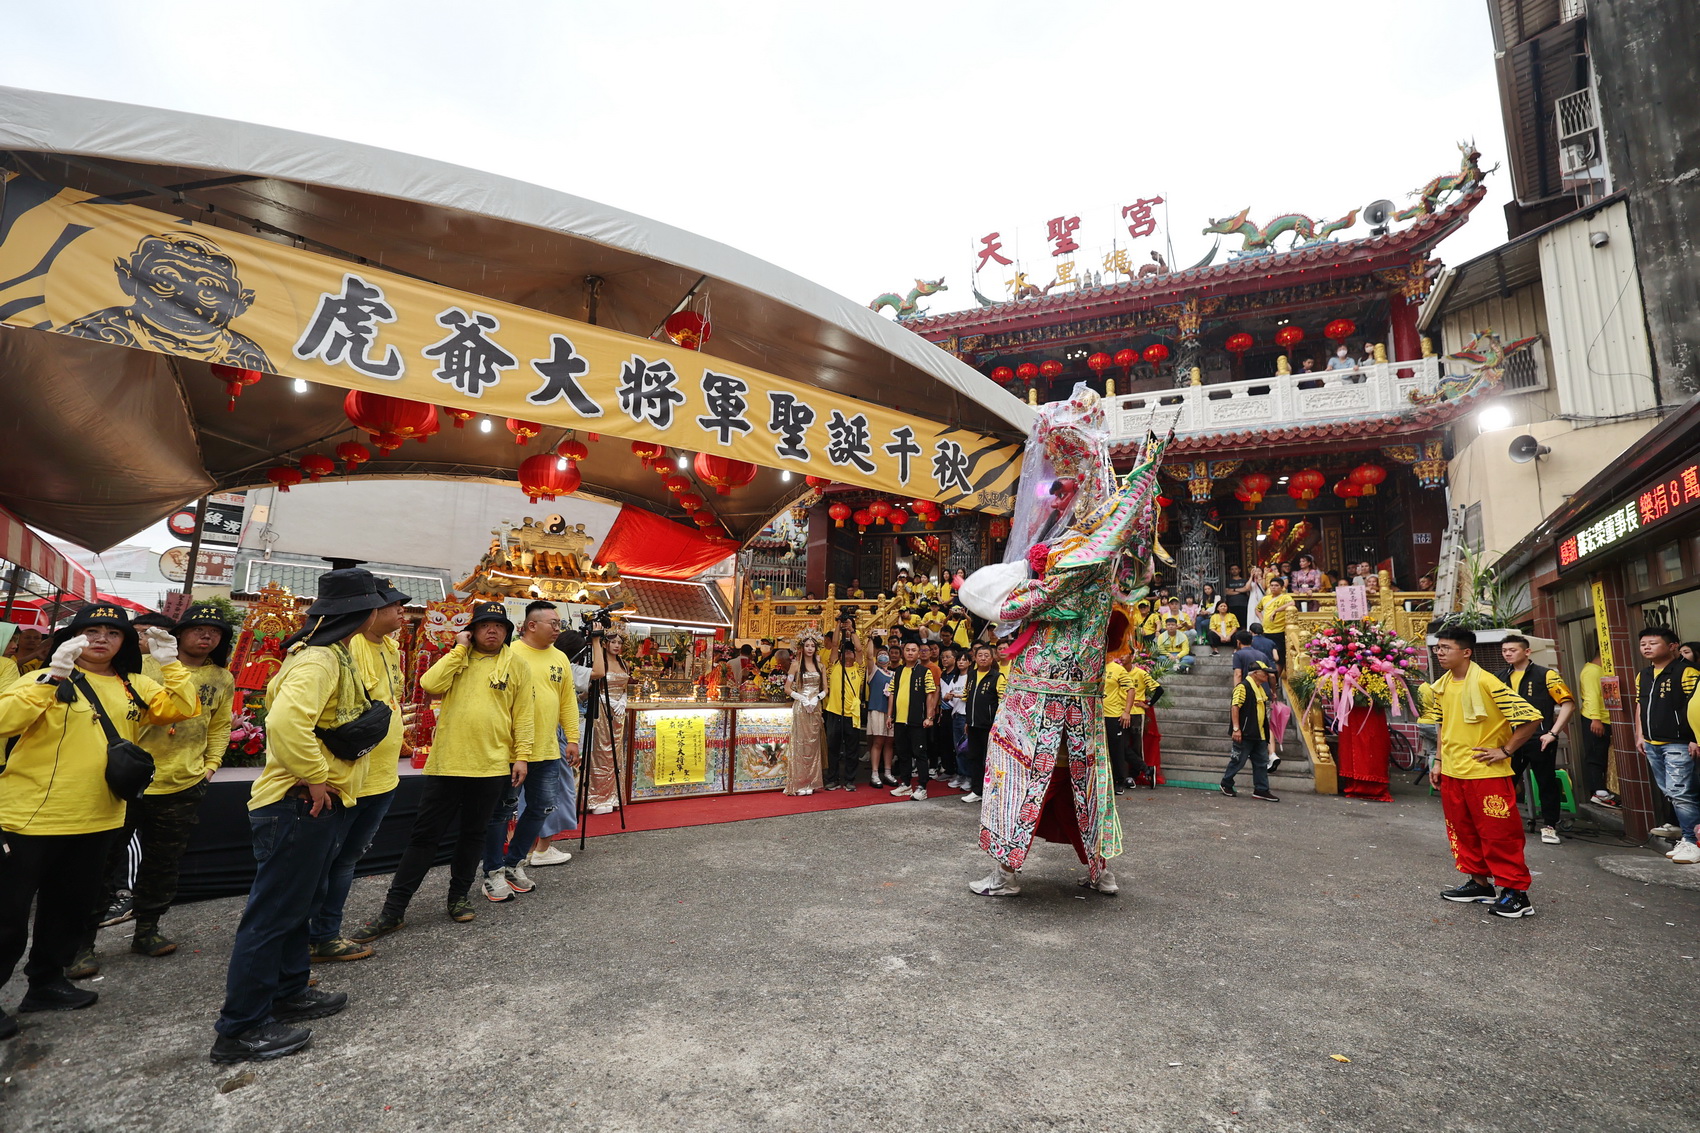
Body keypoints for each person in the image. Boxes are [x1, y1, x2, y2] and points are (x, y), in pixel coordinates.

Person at [211, 570, 390, 1062]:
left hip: (316, 801)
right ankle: (241, 1028)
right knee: (272, 916)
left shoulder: (332, 653)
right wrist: (314, 775)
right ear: (364, 612)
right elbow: (287, 722)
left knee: (298, 906)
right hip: (298, 803)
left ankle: (290, 992)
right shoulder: (317, 660)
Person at [0, 606, 196, 1042]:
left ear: (126, 642)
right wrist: (53, 675)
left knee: (67, 910)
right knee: (8, 918)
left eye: (113, 632)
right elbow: (3, 720)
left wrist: (170, 664)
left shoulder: (133, 685)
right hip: (28, 820)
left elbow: (182, 708)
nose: (102, 639)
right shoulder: (42, 679)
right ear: (74, 636)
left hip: (98, 818)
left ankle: (46, 983)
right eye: (92, 631)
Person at [355, 601, 532, 934]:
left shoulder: (517, 666)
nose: (491, 630)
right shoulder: (456, 661)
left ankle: (459, 897)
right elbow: (429, 684)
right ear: (472, 631)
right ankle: (394, 910)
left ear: (507, 633)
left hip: (491, 766)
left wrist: (521, 755)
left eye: (499, 626)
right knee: (424, 838)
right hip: (447, 764)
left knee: (473, 835)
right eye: (483, 625)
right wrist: (458, 651)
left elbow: (523, 715)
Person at [121, 603, 236, 961]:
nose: (207, 635)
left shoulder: (221, 678)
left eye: (215, 631)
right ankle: (81, 943)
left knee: (163, 861)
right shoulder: (145, 665)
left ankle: (147, 930)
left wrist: (211, 766)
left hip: (183, 781)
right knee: (104, 860)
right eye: (199, 628)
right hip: (129, 779)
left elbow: (219, 726)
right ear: (179, 634)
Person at [308, 580, 410, 963]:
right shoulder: (347, 649)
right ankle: (309, 936)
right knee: (325, 860)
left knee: (347, 858)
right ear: (368, 612)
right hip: (348, 775)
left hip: (383, 774)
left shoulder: (390, 646)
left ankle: (326, 935)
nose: (402, 611)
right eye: (394, 605)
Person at [1421, 627, 1545, 919]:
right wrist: (1438, 761)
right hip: (1453, 771)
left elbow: (1530, 718)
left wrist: (1506, 750)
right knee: (1462, 831)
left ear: (1466, 652)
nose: (1439, 653)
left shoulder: (1488, 682)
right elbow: (1442, 726)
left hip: (1485, 773)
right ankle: (1480, 884)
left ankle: (1516, 893)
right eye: (1437, 648)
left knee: (1499, 834)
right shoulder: (1442, 684)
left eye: (1446, 648)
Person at [480, 601, 579, 901]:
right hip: (510, 751)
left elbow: (567, 701)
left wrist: (572, 737)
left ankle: (514, 864)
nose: (558, 629)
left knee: (541, 808)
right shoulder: (508, 654)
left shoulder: (559, 658)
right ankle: (492, 872)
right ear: (531, 625)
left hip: (548, 749)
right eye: (553, 623)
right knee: (500, 812)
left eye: (559, 624)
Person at [1632, 627, 1700, 863]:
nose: (1646, 647)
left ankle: (1692, 842)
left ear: (1672, 646)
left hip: (1679, 742)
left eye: (1652, 643)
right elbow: (1641, 705)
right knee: (1671, 791)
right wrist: (1640, 735)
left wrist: (1695, 737)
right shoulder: (1643, 674)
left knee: (1682, 793)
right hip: (1652, 742)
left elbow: (1695, 705)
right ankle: (1689, 836)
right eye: (1643, 644)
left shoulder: (1687, 671)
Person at [1501, 635, 1576, 845]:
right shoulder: (1499, 676)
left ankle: (1550, 825)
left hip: (1539, 737)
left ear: (1527, 652)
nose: (1508, 653)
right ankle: (1503, 823)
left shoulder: (1546, 675)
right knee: (1505, 782)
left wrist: (1553, 732)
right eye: (1505, 650)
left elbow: (1568, 703)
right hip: (1510, 739)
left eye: (1512, 650)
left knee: (1546, 782)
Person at [584, 620, 631, 815]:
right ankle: (596, 798)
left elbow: (625, 686)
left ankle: (613, 796)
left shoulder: (624, 663)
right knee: (600, 752)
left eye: (619, 643)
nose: (617, 646)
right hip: (602, 710)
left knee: (616, 753)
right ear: (605, 643)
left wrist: (623, 700)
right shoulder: (599, 661)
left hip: (618, 713)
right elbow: (590, 686)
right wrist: (604, 697)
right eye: (613, 642)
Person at [887, 641, 938, 801]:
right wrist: (890, 715)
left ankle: (922, 786)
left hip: (917, 720)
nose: (910, 653)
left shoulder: (925, 672)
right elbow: (892, 694)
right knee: (903, 753)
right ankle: (906, 783)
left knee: (920, 753)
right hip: (900, 720)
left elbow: (931, 694)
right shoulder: (899, 671)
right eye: (907, 650)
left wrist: (929, 717)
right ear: (904, 652)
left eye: (913, 650)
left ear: (918, 653)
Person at [1223, 659, 1279, 801]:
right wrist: (1236, 729)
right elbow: (1235, 706)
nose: (1268, 676)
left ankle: (1261, 789)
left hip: (1259, 733)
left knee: (1261, 762)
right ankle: (1226, 783)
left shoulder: (1260, 688)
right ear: (1255, 673)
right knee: (1238, 761)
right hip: (1245, 732)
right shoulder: (1243, 687)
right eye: (1265, 673)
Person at [783, 630, 826, 796]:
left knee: (813, 743)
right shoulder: (795, 665)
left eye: (812, 645)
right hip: (801, 706)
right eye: (807, 645)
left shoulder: (820, 666)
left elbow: (825, 689)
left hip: (815, 707)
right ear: (802, 647)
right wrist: (801, 697)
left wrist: (817, 698)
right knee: (800, 743)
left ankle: (811, 781)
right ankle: (799, 782)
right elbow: (787, 688)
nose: (810, 648)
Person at [961, 644, 1005, 804]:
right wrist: (968, 721)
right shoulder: (971, 675)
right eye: (980, 655)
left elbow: (1002, 702)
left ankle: (992, 792)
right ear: (975, 658)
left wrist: (997, 725)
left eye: (987, 655)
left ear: (992, 658)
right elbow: (967, 697)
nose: (983, 658)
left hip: (989, 727)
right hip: (973, 725)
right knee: (975, 758)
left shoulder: (997, 677)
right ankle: (977, 790)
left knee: (990, 759)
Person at [1575, 641, 1617, 807]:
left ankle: (1602, 790)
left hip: (1605, 718)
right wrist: (1595, 719)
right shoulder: (1591, 671)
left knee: (1603, 754)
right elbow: (1591, 696)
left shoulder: (1601, 670)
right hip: (1595, 719)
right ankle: (1598, 791)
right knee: (1595, 755)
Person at [823, 635, 866, 792]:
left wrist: (852, 630)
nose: (848, 653)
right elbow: (834, 645)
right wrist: (839, 625)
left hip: (852, 715)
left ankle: (849, 779)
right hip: (834, 712)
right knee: (833, 748)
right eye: (845, 651)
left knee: (852, 749)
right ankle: (832, 779)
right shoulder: (833, 666)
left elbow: (860, 649)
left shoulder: (859, 669)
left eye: (851, 651)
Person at [1103, 647, 1139, 794]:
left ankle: (1119, 781)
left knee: (1116, 749)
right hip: (1095, 715)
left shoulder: (1118, 669)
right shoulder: (1092, 668)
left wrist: (1126, 712)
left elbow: (1131, 689)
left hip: (1113, 715)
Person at [865, 646, 896, 787]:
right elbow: (868, 655)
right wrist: (871, 639)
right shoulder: (873, 671)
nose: (883, 656)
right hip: (877, 709)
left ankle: (888, 772)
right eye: (880, 654)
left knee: (889, 742)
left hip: (891, 712)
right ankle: (875, 773)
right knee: (878, 741)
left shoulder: (895, 674)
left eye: (885, 653)